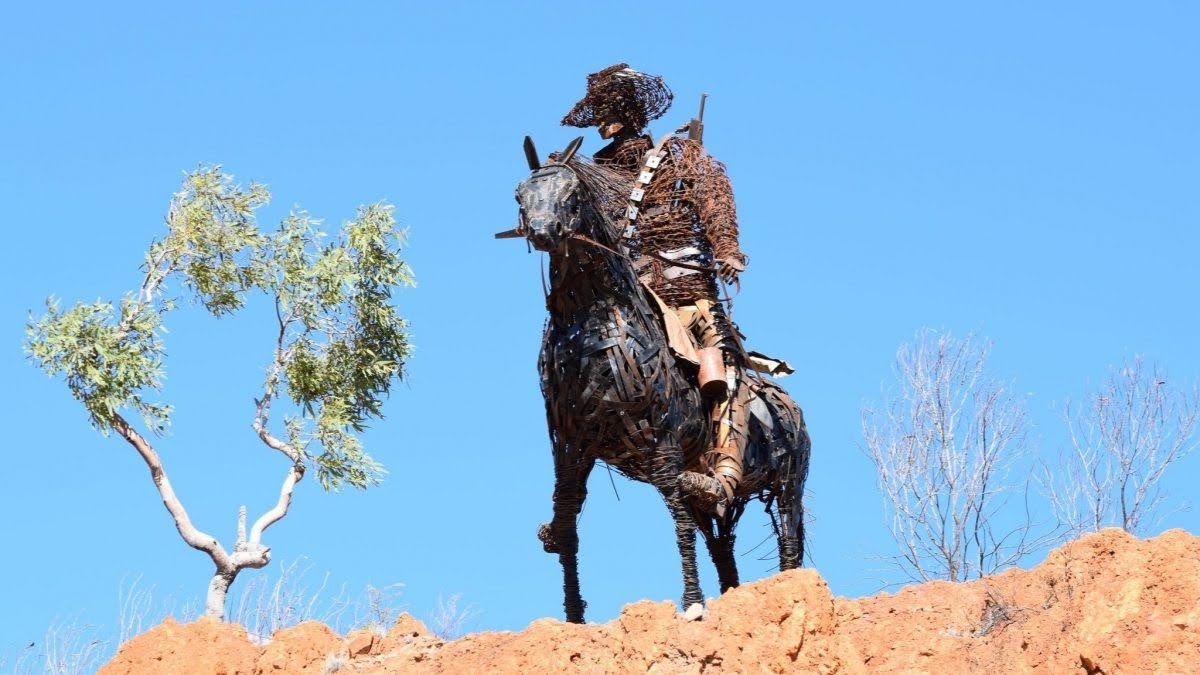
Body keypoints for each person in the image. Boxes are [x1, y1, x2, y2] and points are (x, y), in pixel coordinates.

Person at [562, 63, 749, 515]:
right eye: (598, 111)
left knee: (719, 355)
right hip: (632, 293)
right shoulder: (594, 173)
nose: (603, 119)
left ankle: (725, 471)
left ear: (630, 110)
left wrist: (727, 250)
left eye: (609, 108)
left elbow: (713, 198)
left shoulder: (678, 157)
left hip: (685, 287)